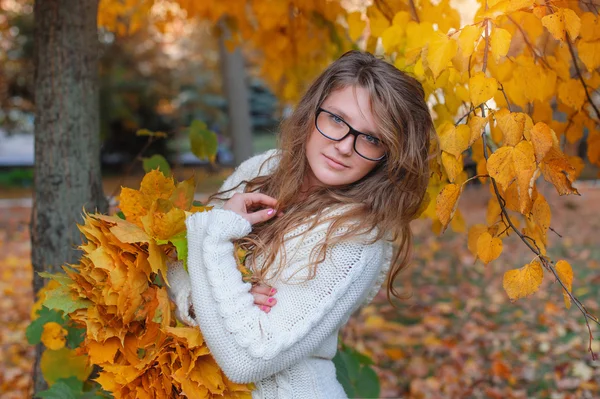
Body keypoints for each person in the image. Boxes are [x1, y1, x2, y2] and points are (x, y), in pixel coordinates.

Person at [166, 50, 433, 398]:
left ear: (389, 156)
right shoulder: (261, 171)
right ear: (313, 111)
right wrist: (198, 303)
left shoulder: (359, 240)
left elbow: (247, 360)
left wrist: (215, 238)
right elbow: (176, 263)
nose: (344, 147)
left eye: (371, 138)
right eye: (337, 119)